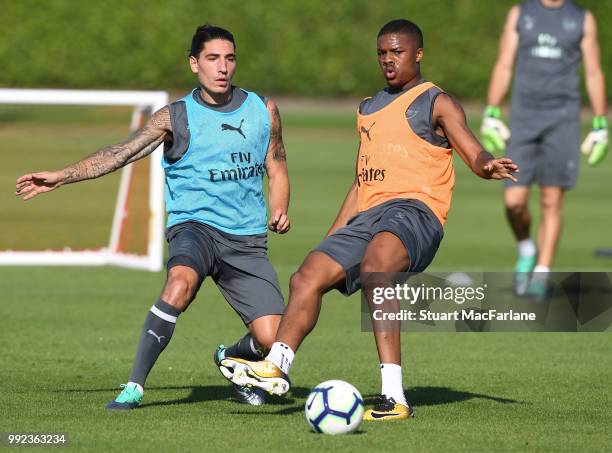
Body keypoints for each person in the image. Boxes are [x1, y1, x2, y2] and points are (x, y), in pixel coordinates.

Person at [220, 19, 517, 421]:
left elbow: (472, 149)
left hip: (416, 212)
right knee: (307, 275)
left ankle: (394, 397)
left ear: (418, 54)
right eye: (382, 53)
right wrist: (331, 238)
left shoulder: (437, 101)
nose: (388, 60)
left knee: (378, 268)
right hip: (370, 215)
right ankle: (278, 365)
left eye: (396, 52)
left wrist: (487, 166)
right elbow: (362, 183)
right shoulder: (368, 107)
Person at [14, 25, 290, 409]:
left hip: (246, 239)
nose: (222, 67)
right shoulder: (175, 117)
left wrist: (279, 207)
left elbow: (276, 164)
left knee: (274, 337)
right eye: (212, 59)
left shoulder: (263, 109)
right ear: (195, 64)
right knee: (179, 284)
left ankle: (234, 356)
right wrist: (63, 175)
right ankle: (134, 386)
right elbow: (120, 153)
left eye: (229, 58)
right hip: (195, 228)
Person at [480, 0, 608, 298]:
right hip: (523, 120)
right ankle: (526, 247)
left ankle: (542, 272)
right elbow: (503, 63)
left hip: (562, 120)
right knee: (514, 201)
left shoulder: (581, 18)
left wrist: (601, 123)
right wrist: (491, 111)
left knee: (552, 199)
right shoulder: (520, 13)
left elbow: (593, 72)